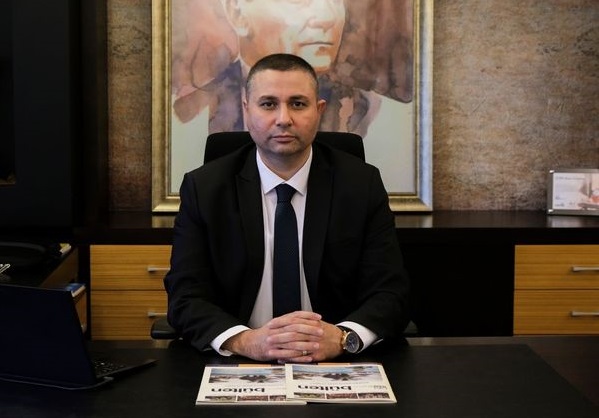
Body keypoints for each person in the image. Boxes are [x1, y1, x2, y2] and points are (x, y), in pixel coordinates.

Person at [164, 53, 410, 363]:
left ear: (319, 110)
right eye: (268, 104)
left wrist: (343, 338)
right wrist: (246, 341)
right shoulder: (205, 189)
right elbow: (185, 297)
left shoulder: (361, 185)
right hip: (240, 360)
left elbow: (391, 292)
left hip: (333, 360)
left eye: (297, 103)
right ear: (246, 110)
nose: (283, 118)